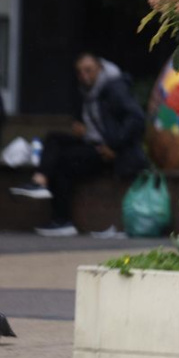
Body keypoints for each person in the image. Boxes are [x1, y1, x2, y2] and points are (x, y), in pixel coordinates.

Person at [9, 54, 147, 236]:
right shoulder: (87, 91)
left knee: (63, 162)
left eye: (88, 70)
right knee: (54, 139)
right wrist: (81, 127)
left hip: (113, 153)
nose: (84, 76)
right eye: (80, 72)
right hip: (93, 144)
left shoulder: (115, 88)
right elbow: (98, 121)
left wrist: (114, 146)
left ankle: (62, 220)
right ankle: (39, 181)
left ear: (100, 68)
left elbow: (136, 119)